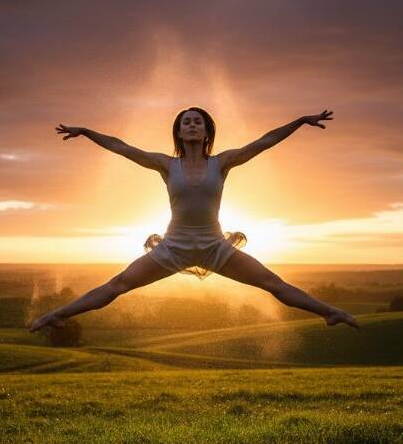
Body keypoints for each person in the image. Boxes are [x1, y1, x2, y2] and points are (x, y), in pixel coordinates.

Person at [28, 107, 360, 331]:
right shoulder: (165, 164)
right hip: (174, 247)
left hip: (216, 247)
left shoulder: (223, 162)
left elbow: (264, 142)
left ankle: (328, 312)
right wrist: (86, 131)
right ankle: (59, 314)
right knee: (118, 285)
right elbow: (122, 147)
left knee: (273, 284)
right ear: (178, 132)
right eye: (185, 121)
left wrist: (301, 121)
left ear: (206, 132)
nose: (191, 124)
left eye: (197, 121)